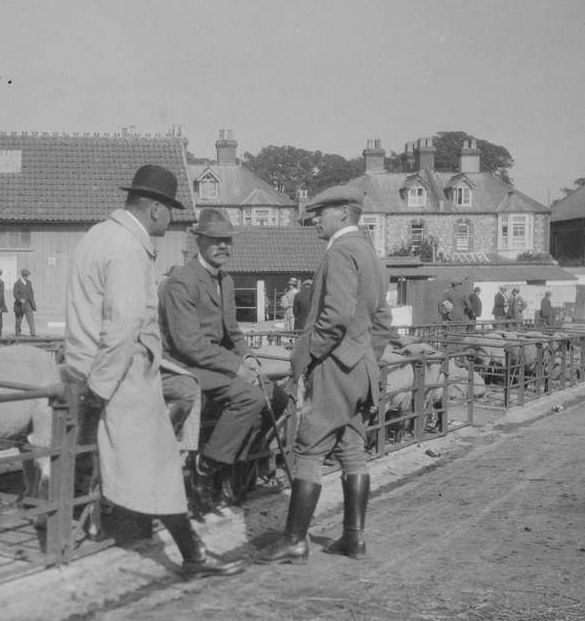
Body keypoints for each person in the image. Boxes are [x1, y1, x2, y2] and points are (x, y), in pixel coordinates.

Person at [64, 163, 244, 578]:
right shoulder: (129, 248)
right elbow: (124, 325)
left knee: (131, 461)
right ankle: (192, 555)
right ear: (157, 209)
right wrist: (103, 387)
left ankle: (167, 543)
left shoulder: (99, 235)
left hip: (91, 364)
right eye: (171, 211)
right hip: (118, 371)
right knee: (160, 465)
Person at [258, 184, 394, 565]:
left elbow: (333, 319)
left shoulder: (340, 252)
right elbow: (382, 320)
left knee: (309, 448)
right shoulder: (371, 254)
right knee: (352, 448)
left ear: (344, 214)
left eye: (322, 211)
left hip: (334, 365)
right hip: (360, 366)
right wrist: (365, 356)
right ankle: (354, 538)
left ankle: (295, 540)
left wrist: (302, 357)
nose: (315, 217)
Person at [158, 207, 289, 508]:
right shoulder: (182, 282)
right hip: (183, 366)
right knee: (250, 398)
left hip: (213, 362)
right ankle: (206, 467)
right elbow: (188, 344)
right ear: (199, 242)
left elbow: (232, 331)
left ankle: (235, 462)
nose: (224, 246)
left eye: (228, 241)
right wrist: (236, 366)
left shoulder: (225, 281)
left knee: (277, 398)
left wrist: (248, 357)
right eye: (216, 240)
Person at [13, 269, 37, 337]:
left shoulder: (29, 283)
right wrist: (20, 299)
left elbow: (31, 293)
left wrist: (32, 302)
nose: (26, 277)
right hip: (19, 305)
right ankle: (18, 333)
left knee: (31, 319)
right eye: (25, 276)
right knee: (18, 320)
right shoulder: (17, 284)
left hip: (28, 304)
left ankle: (33, 333)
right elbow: (15, 294)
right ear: (22, 275)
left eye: (27, 276)